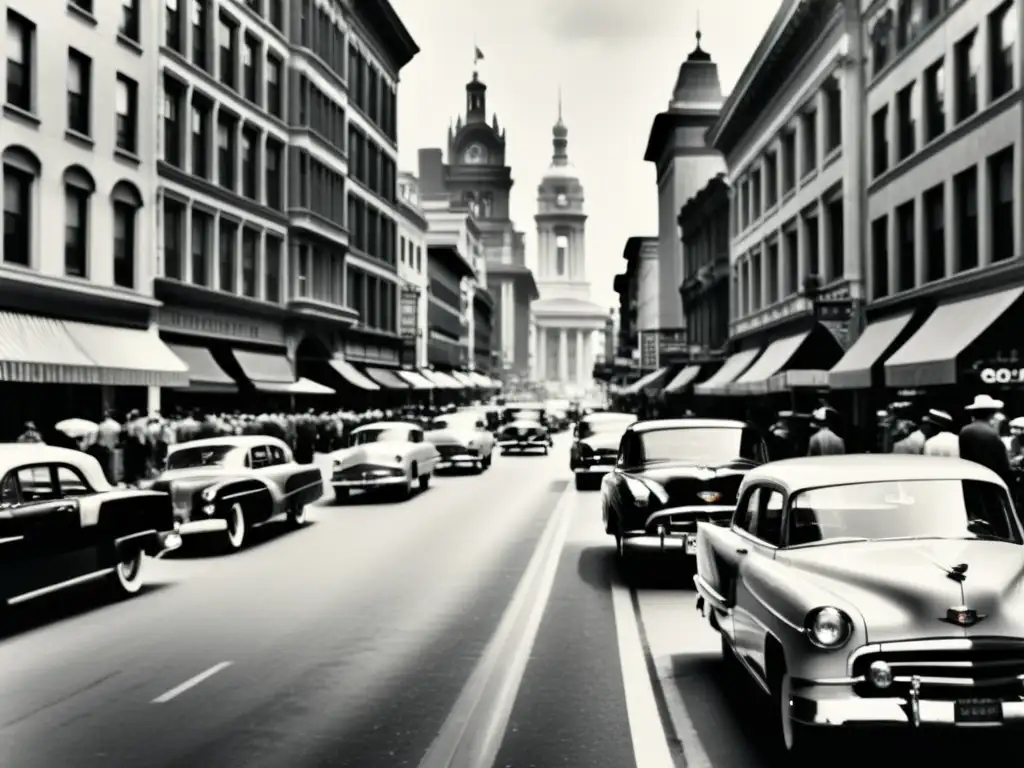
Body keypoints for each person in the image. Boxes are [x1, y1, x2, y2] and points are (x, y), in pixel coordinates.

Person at [959, 395, 1013, 488]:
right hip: (991, 479)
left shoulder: (964, 430)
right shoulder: (991, 433)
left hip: (971, 478)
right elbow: (1003, 463)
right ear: (991, 413)